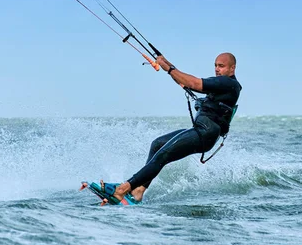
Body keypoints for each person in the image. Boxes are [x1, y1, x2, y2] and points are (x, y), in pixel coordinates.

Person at [100, 52, 242, 204]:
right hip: (201, 129)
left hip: (205, 133)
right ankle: (139, 190)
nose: (217, 69)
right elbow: (185, 81)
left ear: (232, 68)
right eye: (215, 65)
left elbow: (193, 83)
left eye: (221, 66)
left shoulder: (229, 84)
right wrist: (166, 64)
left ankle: (122, 190)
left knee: (163, 155)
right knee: (158, 144)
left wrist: (169, 69)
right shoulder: (222, 85)